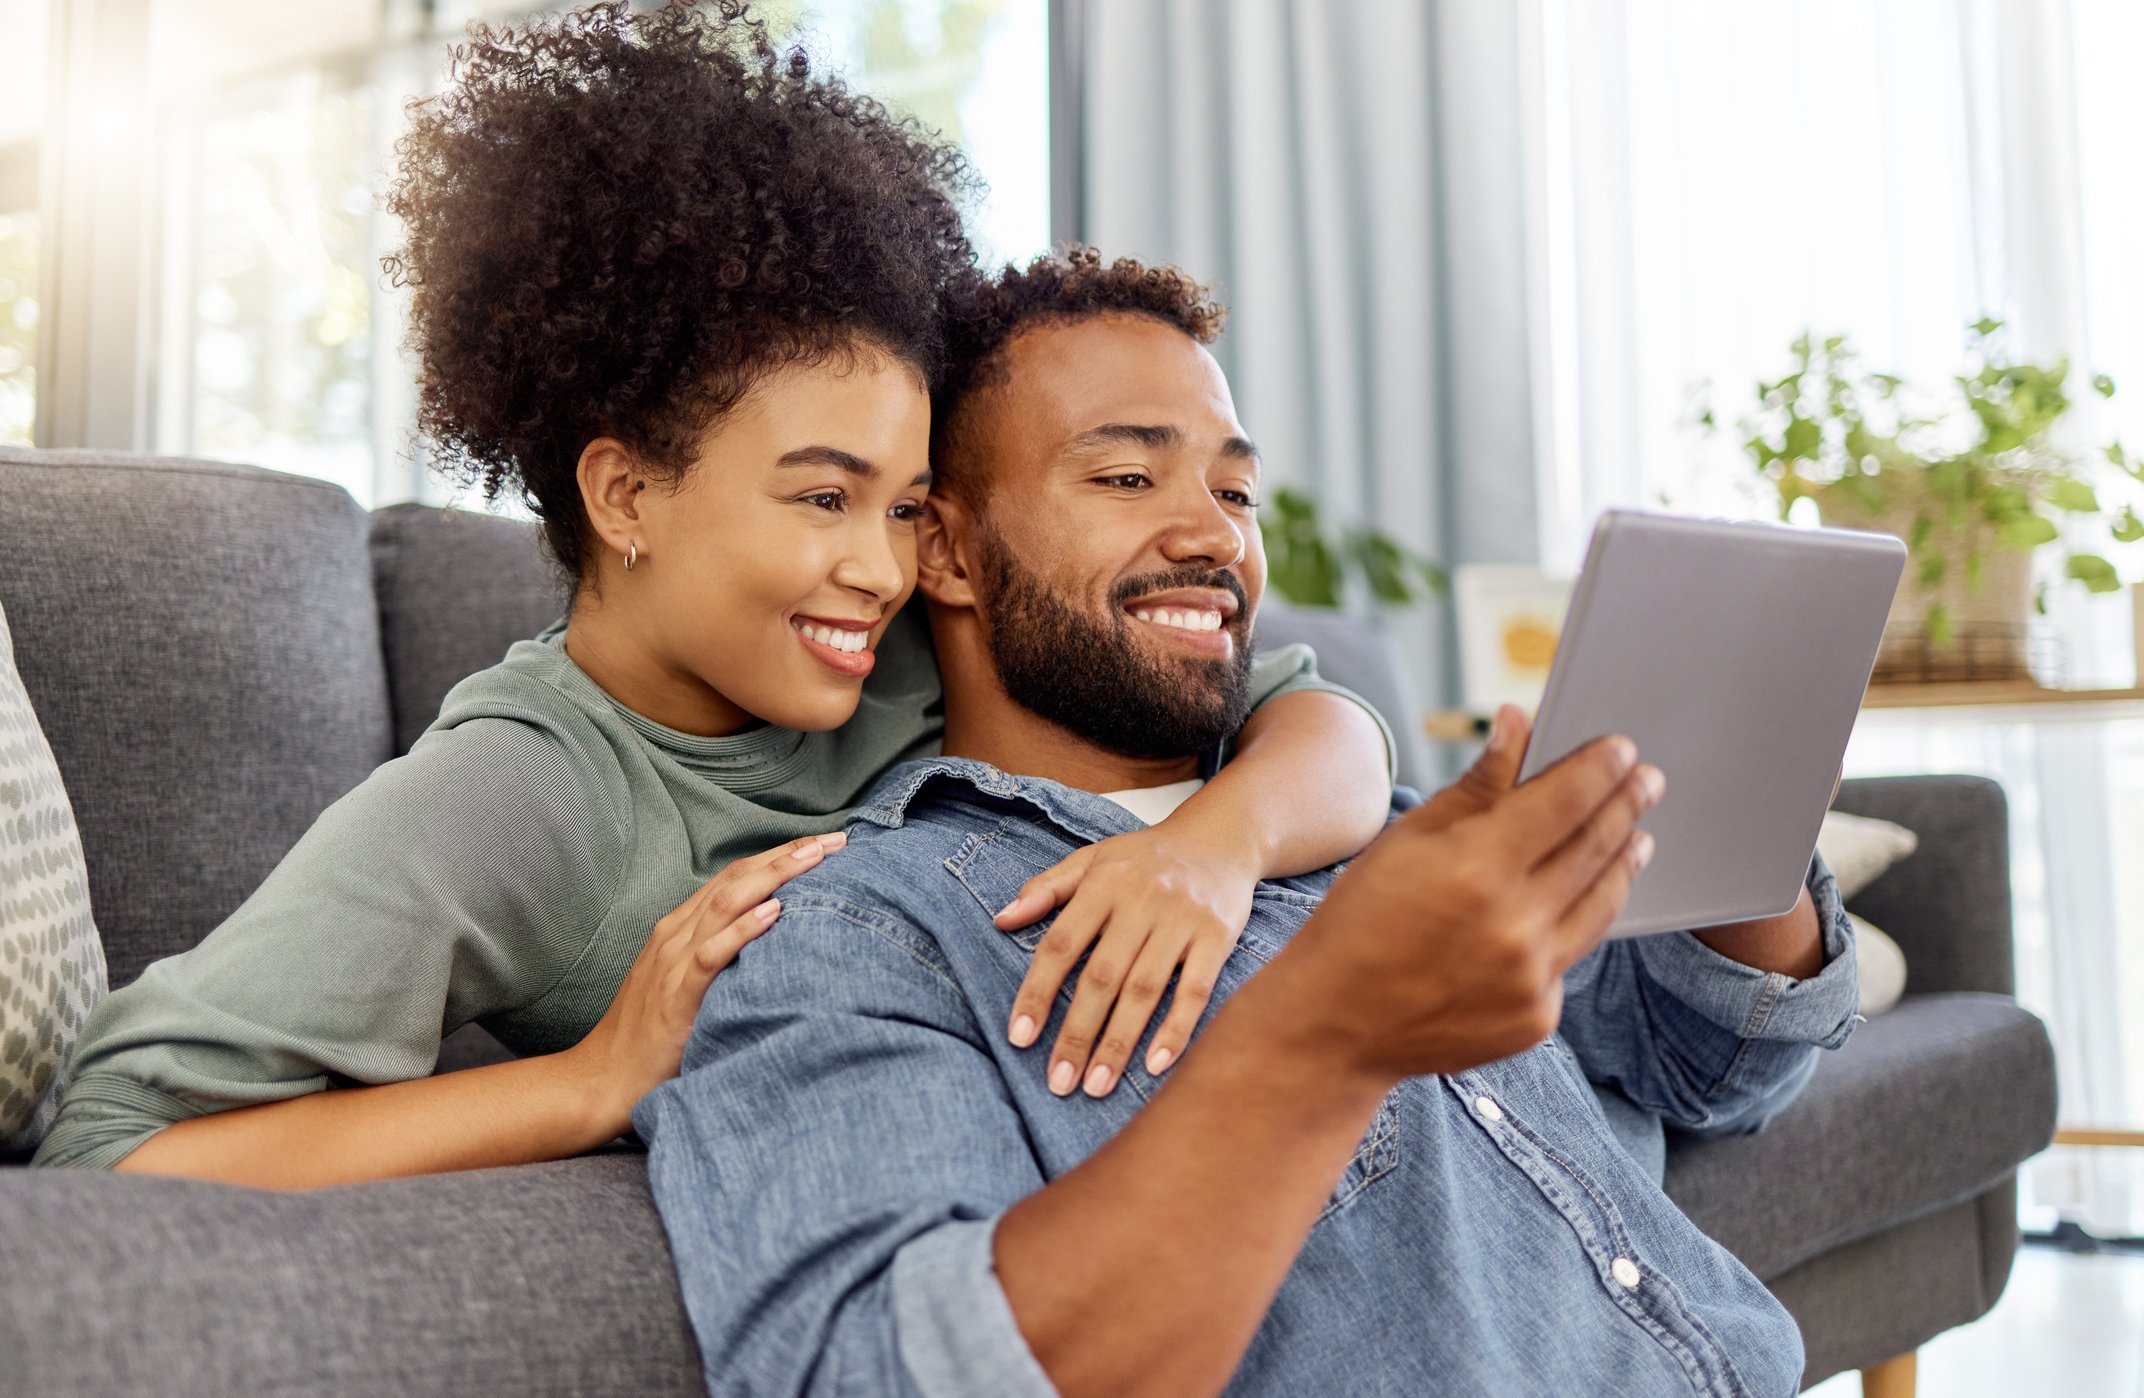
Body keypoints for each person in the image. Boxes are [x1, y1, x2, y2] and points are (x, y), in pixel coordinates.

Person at [30, 5, 1394, 1186]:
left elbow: (1316, 718)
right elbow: (118, 1139)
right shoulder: (520, 795)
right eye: (821, 496)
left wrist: (1214, 847)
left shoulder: (913, 632)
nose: (884, 563)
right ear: (627, 496)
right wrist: (593, 1078)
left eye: (907, 503)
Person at [633, 250, 1862, 1397]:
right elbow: (877, 1370)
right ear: (946, 551)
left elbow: (1710, 1066)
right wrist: (1321, 1037)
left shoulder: (1374, 834)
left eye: (1234, 487)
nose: (1214, 534)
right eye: (1125, 477)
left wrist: (1720, 780)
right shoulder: (868, 934)